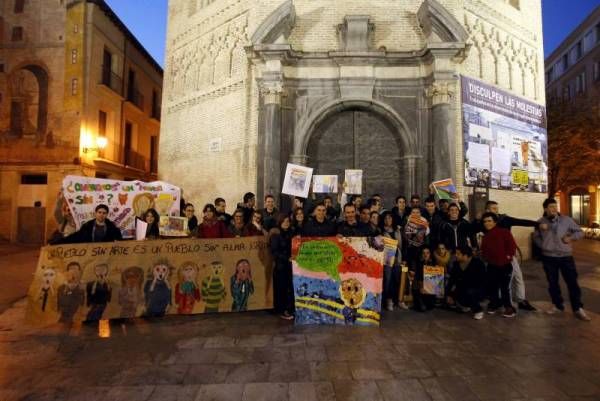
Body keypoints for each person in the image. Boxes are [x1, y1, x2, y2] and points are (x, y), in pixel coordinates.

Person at [475, 201, 540, 311]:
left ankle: (520, 300)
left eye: (497, 208)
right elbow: (473, 229)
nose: (497, 210)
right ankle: (501, 301)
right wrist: (477, 220)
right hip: (493, 258)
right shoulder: (485, 221)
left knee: (517, 277)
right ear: (487, 210)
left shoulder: (504, 219)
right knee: (500, 281)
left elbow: (521, 222)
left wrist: (537, 224)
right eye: (494, 208)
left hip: (507, 257)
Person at [534, 198, 590, 321]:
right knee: (553, 283)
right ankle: (557, 305)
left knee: (572, 283)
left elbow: (580, 232)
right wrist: (543, 246)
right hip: (549, 258)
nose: (554, 208)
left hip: (566, 257)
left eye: (555, 206)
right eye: (551, 207)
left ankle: (577, 308)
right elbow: (536, 237)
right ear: (545, 209)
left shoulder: (567, 220)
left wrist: (570, 238)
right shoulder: (540, 222)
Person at [480, 212, 517, 318]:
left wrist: (508, 257)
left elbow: (512, 246)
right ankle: (494, 304)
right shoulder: (486, 236)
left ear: (495, 222)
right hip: (492, 266)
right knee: (493, 286)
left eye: (489, 221)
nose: (487, 223)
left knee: (505, 287)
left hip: (505, 265)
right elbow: (484, 251)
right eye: (485, 221)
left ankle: (509, 307)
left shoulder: (504, 232)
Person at [446, 245, 487, 320]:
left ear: (465, 255)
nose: (456, 255)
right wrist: (449, 294)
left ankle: (478, 310)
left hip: (477, 289)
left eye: (458, 254)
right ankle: (466, 305)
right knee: (454, 294)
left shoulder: (478, 264)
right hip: (463, 288)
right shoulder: (456, 264)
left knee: (469, 292)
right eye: (456, 253)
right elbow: (451, 280)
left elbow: (482, 281)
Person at [270, 214, 295, 320]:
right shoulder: (275, 235)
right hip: (281, 267)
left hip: (291, 266)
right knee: (281, 289)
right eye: (284, 221)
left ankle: (289, 309)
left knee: (290, 288)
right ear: (280, 222)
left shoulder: (291, 234)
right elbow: (274, 252)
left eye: (288, 221)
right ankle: (282, 310)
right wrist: (286, 258)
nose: (286, 223)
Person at [380, 211, 402, 311]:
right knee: (387, 281)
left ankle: (395, 300)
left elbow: (402, 245)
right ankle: (387, 301)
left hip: (397, 259)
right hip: (387, 260)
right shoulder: (380, 231)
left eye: (389, 218)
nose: (387, 220)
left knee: (396, 280)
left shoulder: (397, 231)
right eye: (385, 218)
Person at [410, 247, 436, 312]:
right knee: (422, 308)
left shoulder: (433, 263)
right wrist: (421, 286)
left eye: (427, 253)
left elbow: (435, 281)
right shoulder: (418, 263)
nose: (425, 255)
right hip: (420, 287)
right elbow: (417, 276)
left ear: (430, 254)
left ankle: (425, 304)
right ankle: (420, 304)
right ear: (421, 254)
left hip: (430, 289)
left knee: (430, 306)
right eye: (424, 253)